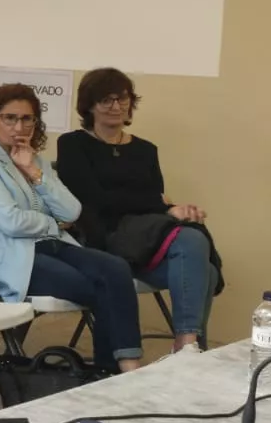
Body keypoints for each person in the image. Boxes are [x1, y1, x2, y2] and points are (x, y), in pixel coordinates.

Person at [0, 84, 143, 372]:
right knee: (93, 286)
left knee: (115, 269)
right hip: (12, 257)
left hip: (53, 245)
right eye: (10, 118)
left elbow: (72, 210)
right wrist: (52, 223)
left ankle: (128, 367)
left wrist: (34, 172)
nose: (19, 126)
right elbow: (12, 222)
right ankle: (113, 370)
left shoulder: (33, 160)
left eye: (27, 118)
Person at [56, 68, 219, 351]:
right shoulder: (73, 144)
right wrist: (165, 208)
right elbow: (92, 198)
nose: (116, 107)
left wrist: (161, 206)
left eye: (122, 99)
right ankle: (188, 346)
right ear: (90, 105)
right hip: (103, 239)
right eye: (106, 100)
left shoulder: (146, 149)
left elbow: (149, 197)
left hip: (144, 241)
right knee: (192, 240)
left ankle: (188, 344)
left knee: (204, 266)